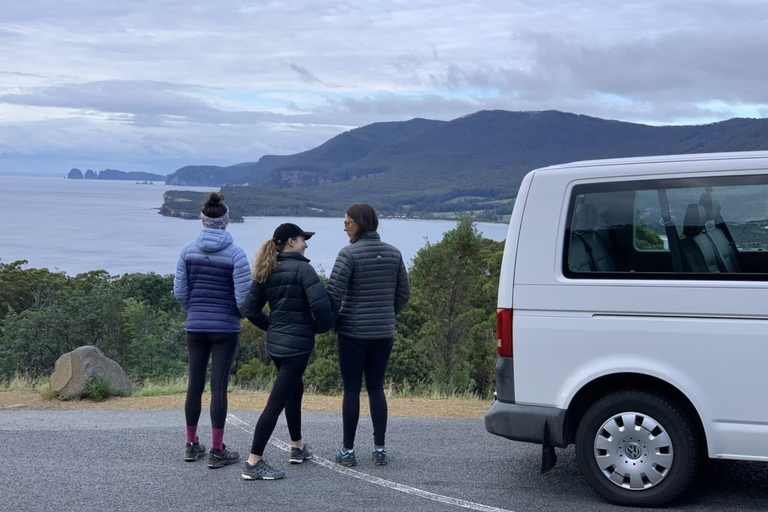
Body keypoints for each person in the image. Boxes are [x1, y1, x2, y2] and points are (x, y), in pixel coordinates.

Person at [241, 223, 333, 480]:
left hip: (276, 345)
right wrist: (317, 329)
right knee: (275, 403)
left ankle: (297, 447)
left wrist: (273, 327)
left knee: (295, 389)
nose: (306, 244)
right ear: (291, 241)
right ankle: (253, 462)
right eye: (303, 240)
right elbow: (322, 309)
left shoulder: (266, 269)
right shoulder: (304, 270)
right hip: (296, 347)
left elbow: (251, 310)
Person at [326, 203, 410, 467]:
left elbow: (333, 295)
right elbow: (403, 295)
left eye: (347, 222)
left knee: (351, 389)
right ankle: (380, 449)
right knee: (376, 387)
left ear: (359, 224)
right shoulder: (394, 254)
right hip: (383, 333)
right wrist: (386, 314)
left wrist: (333, 322)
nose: (344, 227)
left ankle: (348, 450)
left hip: (352, 332)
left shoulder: (348, 255)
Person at [174, 192, 251, 468]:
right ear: (226, 222)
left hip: (195, 326)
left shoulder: (187, 251)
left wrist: (194, 310)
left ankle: (191, 444)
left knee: (194, 384)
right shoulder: (237, 255)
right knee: (218, 387)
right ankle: (217, 450)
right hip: (225, 328)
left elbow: (180, 292)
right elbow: (244, 297)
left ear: (203, 220)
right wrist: (235, 315)